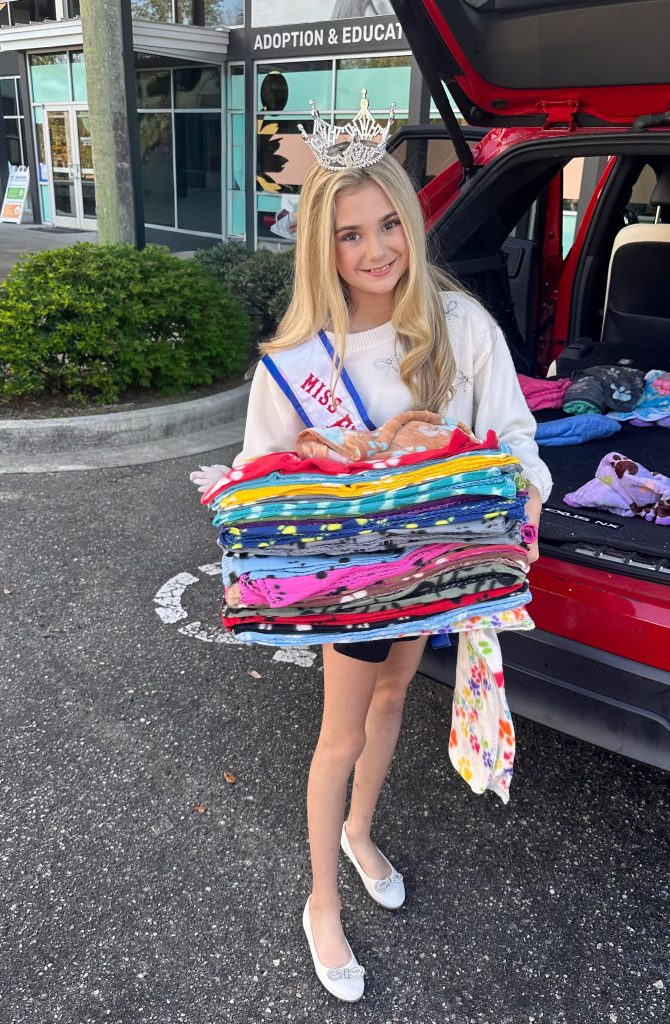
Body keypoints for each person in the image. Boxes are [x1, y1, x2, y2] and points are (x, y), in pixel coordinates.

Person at [194, 110, 551, 1002]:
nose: (375, 249)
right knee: (339, 732)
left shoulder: (462, 328)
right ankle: (321, 899)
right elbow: (249, 473)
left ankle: (360, 831)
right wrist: (310, 453)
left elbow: (517, 436)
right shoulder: (295, 358)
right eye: (349, 235)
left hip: (434, 566)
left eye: (388, 223)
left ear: (410, 218)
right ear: (324, 245)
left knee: (397, 698)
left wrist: (511, 487)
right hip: (349, 580)